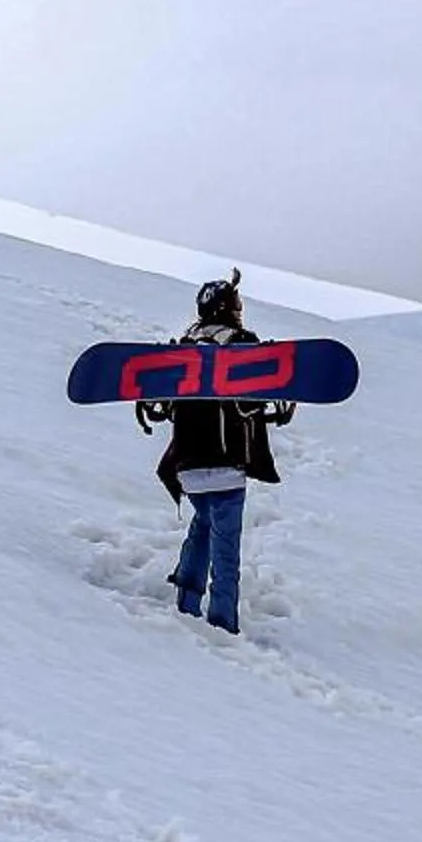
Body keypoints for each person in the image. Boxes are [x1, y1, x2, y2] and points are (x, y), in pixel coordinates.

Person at [136, 268, 295, 635]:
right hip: (226, 463)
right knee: (226, 546)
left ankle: (186, 603)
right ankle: (223, 623)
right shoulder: (241, 344)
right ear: (226, 308)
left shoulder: (184, 345)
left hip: (187, 464)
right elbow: (251, 404)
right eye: (236, 304)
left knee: (203, 525)